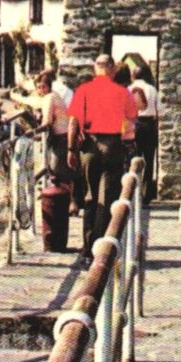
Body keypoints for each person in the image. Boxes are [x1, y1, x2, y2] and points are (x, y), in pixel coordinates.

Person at [69, 54, 138, 262]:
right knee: (107, 197)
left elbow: (73, 123)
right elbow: (131, 119)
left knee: (89, 197)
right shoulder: (123, 92)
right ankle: (103, 249)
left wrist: (71, 150)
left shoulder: (83, 90)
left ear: (95, 68)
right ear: (113, 69)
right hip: (112, 145)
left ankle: (87, 249)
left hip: (89, 146)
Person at [34, 71, 79, 211]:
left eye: (43, 87)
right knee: (65, 171)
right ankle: (70, 202)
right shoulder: (55, 96)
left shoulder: (49, 98)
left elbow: (47, 120)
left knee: (59, 171)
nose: (41, 90)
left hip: (61, 137)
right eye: (39, 87)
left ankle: (67, 203)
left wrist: (35, 131)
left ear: (49, 87)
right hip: (66, 136)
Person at [127, 61, 161, 205]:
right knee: (148, 159)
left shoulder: (128, 89)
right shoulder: (152, 89)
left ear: (134, 75)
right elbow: (160, 110)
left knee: (132, 158)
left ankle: (130, 192)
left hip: (133, 123)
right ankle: (146, 195)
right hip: (148, 124)